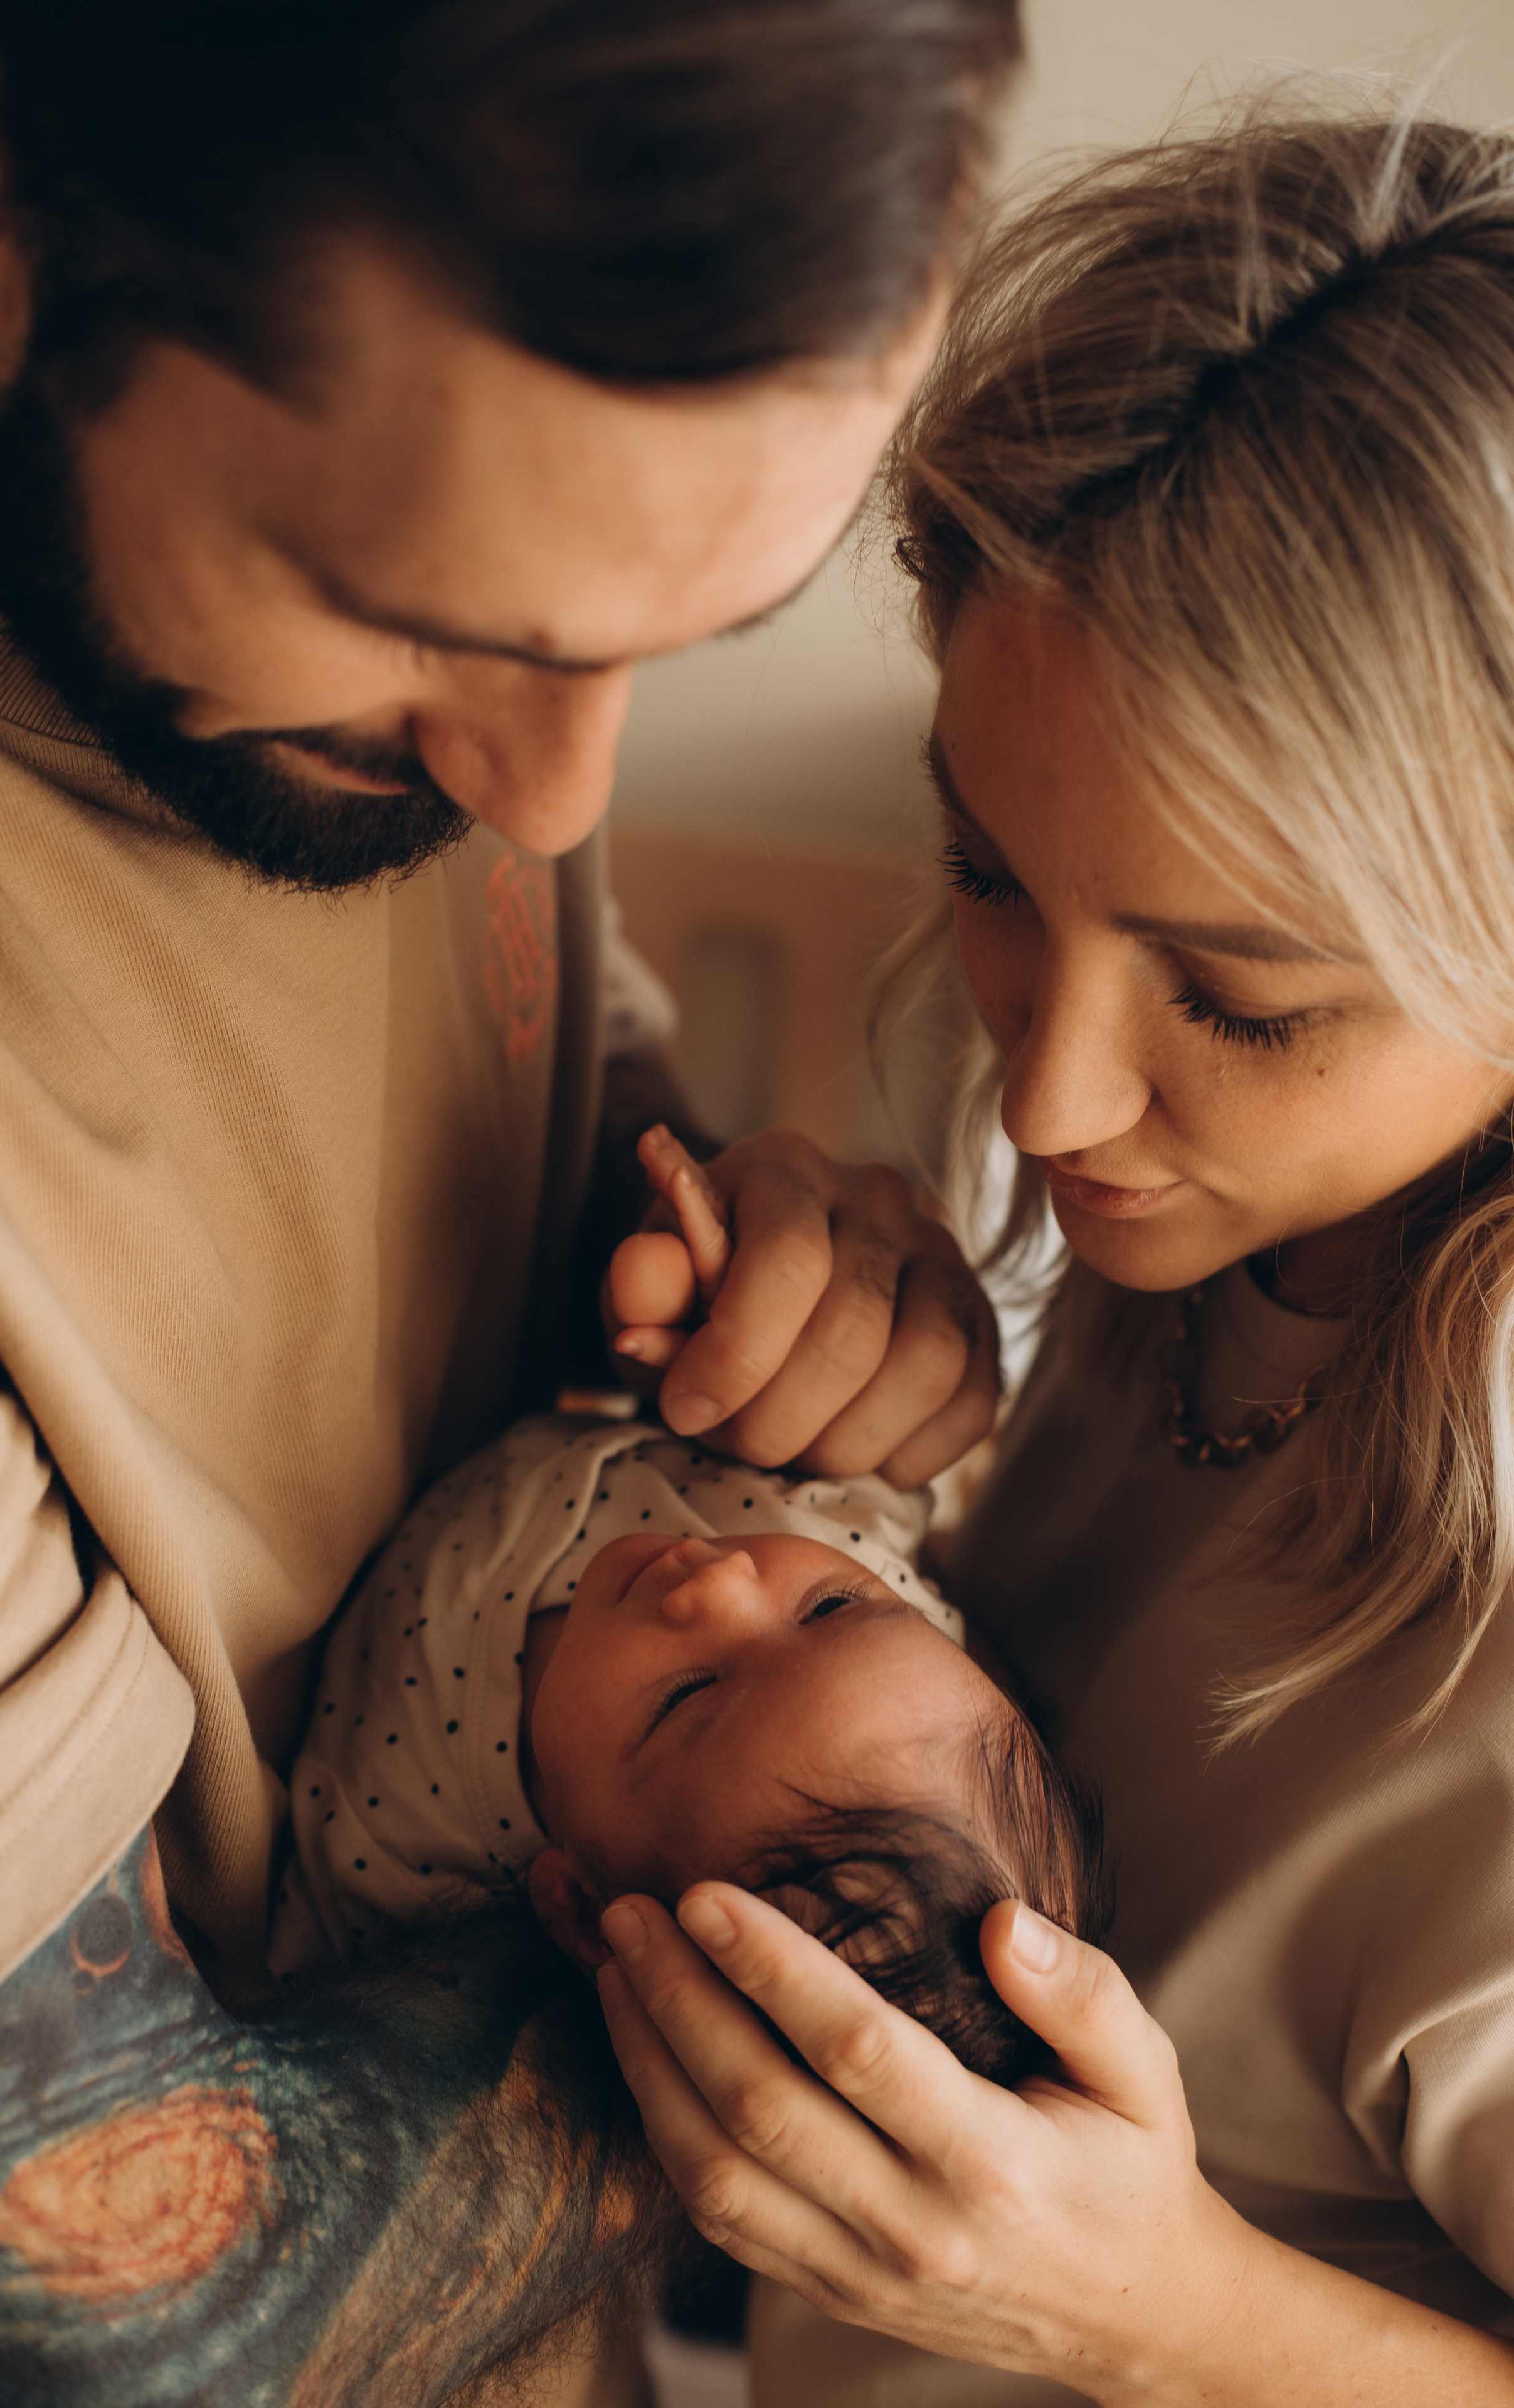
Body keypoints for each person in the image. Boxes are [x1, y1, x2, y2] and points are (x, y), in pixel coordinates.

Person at [0, 4, 1021, 2400]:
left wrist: (757, 1260)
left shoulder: (412, 658)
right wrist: (894, 1956)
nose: (548, 794)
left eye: (673, 645)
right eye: (443, 624)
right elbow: (100, 2296)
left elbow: (477, 1125)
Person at [593, 108, 1514, 2407]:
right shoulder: (1232, 1235)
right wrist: (857, 1361)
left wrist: (1159, 2320)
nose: (1043, 1102)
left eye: (1242, 997)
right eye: (992, 866)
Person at [267, 1402, 1109, 2093]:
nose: (722, 1584)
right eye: (830, 1611)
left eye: (687, 1698)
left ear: (586, 1913)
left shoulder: (411, 1857)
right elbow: (841, 1407)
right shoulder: (839, 1532)